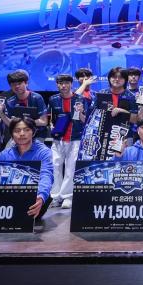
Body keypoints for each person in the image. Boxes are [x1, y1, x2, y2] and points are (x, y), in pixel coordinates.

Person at [0, 117, 55, 221]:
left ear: (33, 132)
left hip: (34, 196)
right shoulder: (4, 155)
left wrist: (41, 196)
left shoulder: (44, 152)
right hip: (9, 197)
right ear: (11, 135)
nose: (22, 134)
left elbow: (46, 175)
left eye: (27, 130)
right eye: (17, 131)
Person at [48, 74, 91, 209]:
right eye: (61, 83)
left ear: (71, 84)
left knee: (71, 168)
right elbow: (51, 118)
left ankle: (67, 196)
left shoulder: (80, 99)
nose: (64, 86)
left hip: (76, 138)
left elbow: (85, 121)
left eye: (66, 83)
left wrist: (81, 112)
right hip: (58, 139)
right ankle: (56, 196)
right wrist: (52, 128)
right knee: (55, 167)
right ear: (57, 85)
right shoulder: (53, 99)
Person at [0, 69, 49, 137]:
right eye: (13, 84)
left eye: (19, 83)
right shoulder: (10, 101)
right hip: (19, 136)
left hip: (38, 135)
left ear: (26, 83)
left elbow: (44, 121)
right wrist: (1, 114)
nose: (17, 86)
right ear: (10, 86)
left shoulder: (37, 98)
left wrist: (23, 123)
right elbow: (11, 124)